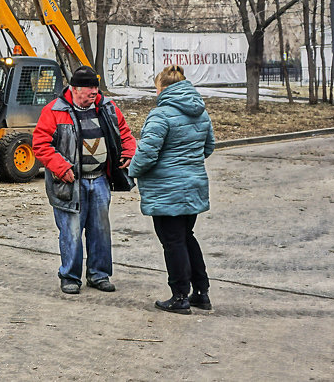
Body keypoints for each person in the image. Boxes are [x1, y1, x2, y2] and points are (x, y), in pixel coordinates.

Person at [32, 65, 137, 294]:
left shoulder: (107, 107)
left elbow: (124, 132)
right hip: (69, 184)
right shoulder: (54, 111)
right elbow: (41, 145)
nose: (93, 92)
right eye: (88, 88)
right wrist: (61, 168)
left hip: (99, 180)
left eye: (95, 87)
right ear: (74, 89)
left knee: (100, 230)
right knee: (71, 231)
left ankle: (99, 275)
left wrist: (129, 152)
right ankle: (69, 276)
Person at [128, 64, 215, 314]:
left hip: (167, 189)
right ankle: (201, 293)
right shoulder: (200, 112)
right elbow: (208, 148)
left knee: (173, 242)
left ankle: (179, 297)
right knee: (187, 237)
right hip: (193, 185)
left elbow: (146, 154)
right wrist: (188, 162)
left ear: (163, 87)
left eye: (156, 88)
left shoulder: (161, 114)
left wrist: (131, 171)